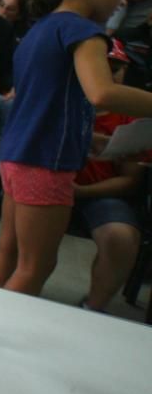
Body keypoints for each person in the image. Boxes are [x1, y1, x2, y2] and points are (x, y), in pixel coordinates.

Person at [0, 0, 152, 297]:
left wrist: (88, 137)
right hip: (45, 162)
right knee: (36, 266)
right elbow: (102, 93)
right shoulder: (84, 32)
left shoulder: (43, 27)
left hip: (16, 155)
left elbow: (47, 100)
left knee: (10, 251)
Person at [73, 40, 148, 312]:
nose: (112, 74)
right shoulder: (66, 102)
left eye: (117, 68)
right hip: (51, 186)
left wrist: (82, 192)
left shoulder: (133, 116)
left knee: (122, 237)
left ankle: (93, 307)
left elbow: (131, 179)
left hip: (100, 195)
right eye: (105, 67)